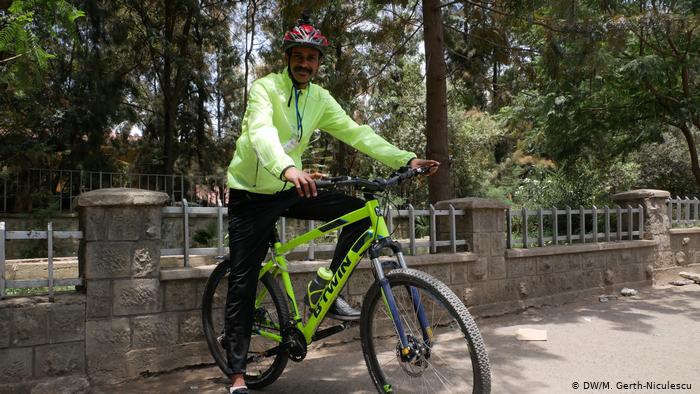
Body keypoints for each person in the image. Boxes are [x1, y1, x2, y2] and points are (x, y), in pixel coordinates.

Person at [223, 14, 439, 394]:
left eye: (312, 58)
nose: (305, 64)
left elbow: (357, 134)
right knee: (243, 281)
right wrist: (288, 168)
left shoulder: (319, 99)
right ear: (287, 57)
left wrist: (405, 159)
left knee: (357, 213)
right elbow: (261, 131)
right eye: (299, 56)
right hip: (252, 194)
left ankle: (324, 288)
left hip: (289, 186)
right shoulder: (265, 89)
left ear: (319, 63)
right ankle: (238, 375)